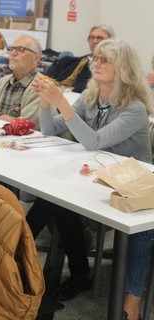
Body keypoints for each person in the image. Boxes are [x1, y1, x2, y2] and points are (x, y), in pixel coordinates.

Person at [28, 38, 154, 320]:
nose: (96, 63)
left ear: (123, 68)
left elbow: (94, 141)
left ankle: (130, 301)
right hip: (96, 176)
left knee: (143, 231)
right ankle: (70, 269)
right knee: (53, 198)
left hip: (132, 187)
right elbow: (50, 131)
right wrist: (47, 104)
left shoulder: (134, 108)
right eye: (96, 58)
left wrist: (63, 102)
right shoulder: (91, 96)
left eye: (105, 59)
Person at [0, 35, 43, 130]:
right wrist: (1, 116)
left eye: (21, 49)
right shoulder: (2, 82)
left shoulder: (41, 87)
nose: (13, 53)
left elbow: (24, 125)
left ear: (36, 58)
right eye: (12, 49)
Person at [46, 23, 115, 93]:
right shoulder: (84, 62)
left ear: (110, 41)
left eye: (99, 38)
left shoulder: (113, 64)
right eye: (92, 37)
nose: (94, 41)